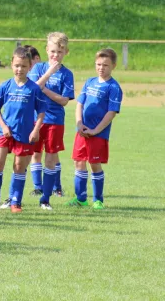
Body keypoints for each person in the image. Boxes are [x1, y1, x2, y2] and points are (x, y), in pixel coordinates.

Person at [0, 47, 47, 213]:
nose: (20, 69)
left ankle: (15, 201)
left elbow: (41, 111)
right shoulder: (5, 86)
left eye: (24, 66)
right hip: (5, 132)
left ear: (30, 67)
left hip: (25, 133)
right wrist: (2, 126)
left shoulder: (34, 88)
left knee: (19, 165)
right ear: (12, 65)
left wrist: (36, 130)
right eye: (17, 65)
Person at [68, 48, 122, 210]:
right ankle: (80, 198)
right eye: (98, 64)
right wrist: (79, 123)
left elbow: (111, 113)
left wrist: (96, 130)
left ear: (113, 66)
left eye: (105, 65)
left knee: (94, 164)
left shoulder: (114, 87)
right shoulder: (89, 82)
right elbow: (80, 104)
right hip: (82, 132)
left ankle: (98, 200)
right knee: (79, 163)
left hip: (98, 134)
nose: (101, 68)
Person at [27, 33, 74, 210]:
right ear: (47, 50)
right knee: (34, 154)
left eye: (60, 52)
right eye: (53, 51)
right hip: (35, 120)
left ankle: (46, 197)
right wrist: (48, 74)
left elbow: (63, 100)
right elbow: (33, 87)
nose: (56, 55)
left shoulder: (67, 74)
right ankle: (37, 187)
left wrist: (45, 89)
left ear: (66, 52)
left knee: (51, 157)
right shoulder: (38, 68)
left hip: (55, 120)